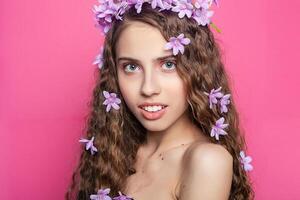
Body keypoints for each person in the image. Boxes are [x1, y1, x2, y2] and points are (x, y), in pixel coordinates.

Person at [66, 0, 254, 199]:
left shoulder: (206, 161)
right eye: (131, 67)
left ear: (198, 70)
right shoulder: (114, 153)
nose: (148, 88)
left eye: (168, 64)